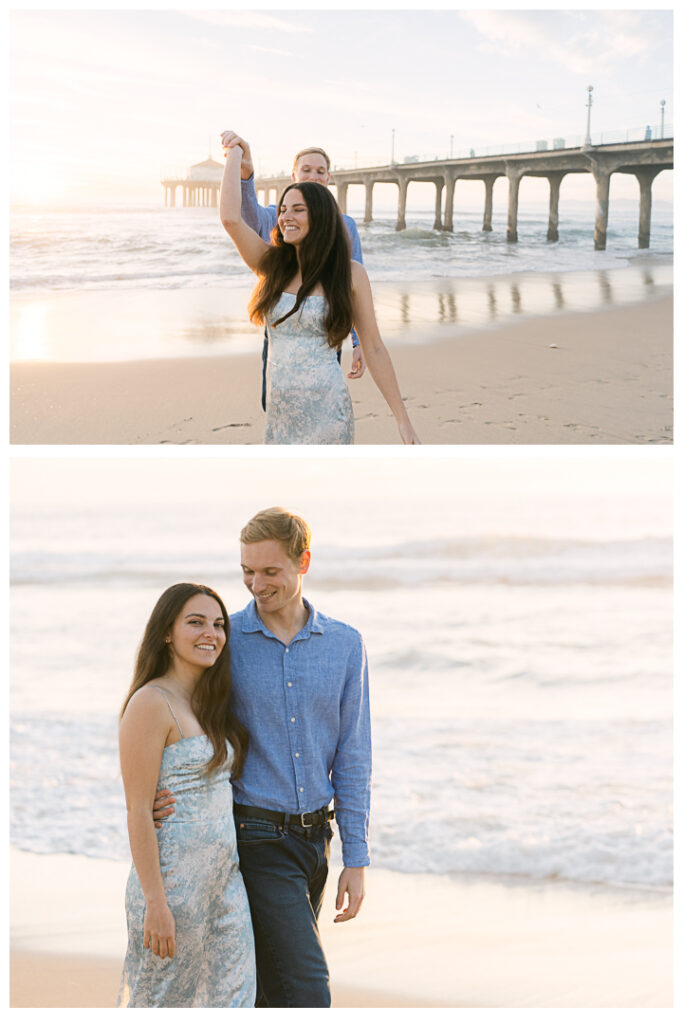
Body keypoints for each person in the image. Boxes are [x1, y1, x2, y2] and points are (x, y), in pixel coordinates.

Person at [153, 508, 372, 1007]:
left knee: (269, 989)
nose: (256, 584)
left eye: (269, 571)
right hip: (254, 838)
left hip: (317, 842)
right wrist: (157, 797)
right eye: (247, 571)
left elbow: (354, 756)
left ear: (304, 563)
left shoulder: (345, 645)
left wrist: (356, 858)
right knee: (307, 990)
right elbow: (173, 715)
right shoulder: (225, 643)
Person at [219, 144, 420, 444]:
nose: (287, 216)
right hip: (280, 416)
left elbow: (375, 348)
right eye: (284, 209)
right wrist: (235, 152)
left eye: (299, 210)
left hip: (328, 415)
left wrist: (403, 420)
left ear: (322, 216)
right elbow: (231, 219)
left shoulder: (350, 274)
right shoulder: (272, 266)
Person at [118, 583, 256, 1007]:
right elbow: (139, 809)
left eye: (218, 624)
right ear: (166, 632)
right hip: (172, 887)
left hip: (226, 885)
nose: (210, 633)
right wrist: (156, 903)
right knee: (165, 1005)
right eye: (195, 622)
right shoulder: (150, 701)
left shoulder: (211, 701)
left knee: (234, 1002)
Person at [220, 132, 365, 411]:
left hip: (325, 328)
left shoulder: (345, 225)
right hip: (283, 325)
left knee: (322, 407)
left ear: (329, 177)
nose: (314, 176)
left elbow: (354, 284)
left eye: (320, 171)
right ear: (293, 175)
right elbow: (245, 220)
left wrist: (359, 341)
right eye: (307, 170)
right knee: (274, 405)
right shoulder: (280, 216)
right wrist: (245, 174)